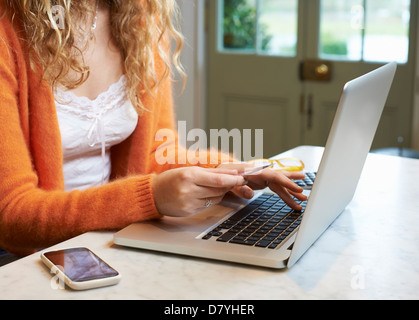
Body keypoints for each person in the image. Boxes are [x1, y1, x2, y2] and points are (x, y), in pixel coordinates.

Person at [0, 0, 307, 256]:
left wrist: (235, 172)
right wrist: (150, 198)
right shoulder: (6, 30)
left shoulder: (139, 16)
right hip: (26, 259)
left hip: (108, 240)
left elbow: (154, 155)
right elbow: (11, 214)